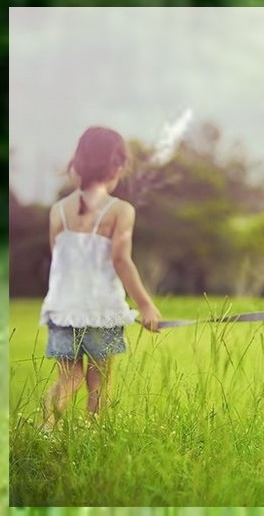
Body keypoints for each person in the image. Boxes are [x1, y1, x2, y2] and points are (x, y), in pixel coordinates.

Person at [40, 125, 162, 429]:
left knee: (68, 379)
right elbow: (121, 260)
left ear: (78, 163)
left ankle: (45, 430)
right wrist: (145, 305)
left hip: (63, 310)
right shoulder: (120, 210)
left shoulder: (58, 210)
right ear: (116, 167)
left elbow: (59, 257)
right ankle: (94, 436)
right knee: (99, 383)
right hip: (100, 310)